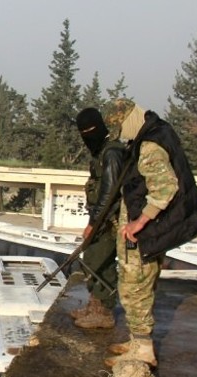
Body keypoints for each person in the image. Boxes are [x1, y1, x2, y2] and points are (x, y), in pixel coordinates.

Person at [104, 102, 197, 368]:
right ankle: (137, 341)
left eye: (120, 128)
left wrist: (139, 223)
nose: (122, 135)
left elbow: (165, 189)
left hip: (146, 233)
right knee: (142, 284)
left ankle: (142, 350)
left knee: (134, 286)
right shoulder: (157, 131)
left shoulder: (150, 146)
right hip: (156, 229)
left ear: (127, 120)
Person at [70, 107, 125, 329]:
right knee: (92, 259)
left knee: (100, 261)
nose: (87, 136)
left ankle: (104, 312)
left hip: (108, 220)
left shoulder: (111, 154)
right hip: (101, 218)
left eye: (90, 131)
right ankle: (94, 305)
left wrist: (93, 224)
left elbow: (110, 194)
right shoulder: (101, 153)